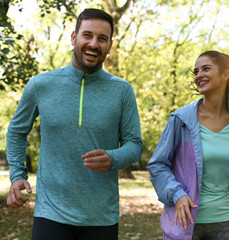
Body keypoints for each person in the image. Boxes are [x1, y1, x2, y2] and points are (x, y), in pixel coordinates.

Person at [6, 8, 143, 240]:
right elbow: (16, 131)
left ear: (109, 46)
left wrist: (113, 158)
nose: (93, 44)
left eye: (102, 39)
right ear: (73, 38)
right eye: (87, 35)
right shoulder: (41, 85)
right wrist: (17, 175)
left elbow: (135, 144)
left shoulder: (122, 90)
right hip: (50, 214)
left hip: (101, 217)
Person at [147, 50, 229, 240]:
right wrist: (177, 194)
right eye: (196, 71)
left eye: (206, 69)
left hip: (225, 222)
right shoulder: (181, 119)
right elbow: (158, 164)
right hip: (185, 223)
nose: (199, 75)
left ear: (225, 74)